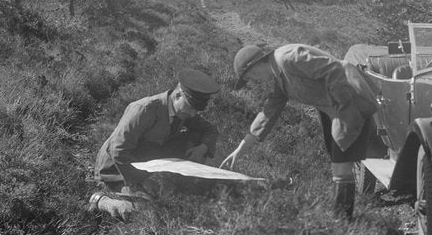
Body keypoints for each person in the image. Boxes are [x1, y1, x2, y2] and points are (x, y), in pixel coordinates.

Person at [220, 43, 378, 219]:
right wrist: (242, 147)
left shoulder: (288, 58)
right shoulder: (279, 76)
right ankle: (341, 220)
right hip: (331, 109)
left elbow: (334, 70)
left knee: (341, 168)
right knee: (338, 166)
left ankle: (342, 222)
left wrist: (342, 109)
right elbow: (269, 112)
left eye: (250, 76)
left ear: (256, 65)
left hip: (348, 101)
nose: (254, 80)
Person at [90, 68, 219, 218]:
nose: (192, 114)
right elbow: (118, 150)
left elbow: (210, 130)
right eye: (190, 108)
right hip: (116, 170)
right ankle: (102, 200)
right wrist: (138, 183)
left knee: (197, 135)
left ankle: (175, 182)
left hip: (146, 163)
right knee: (150, 212)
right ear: (177, 95)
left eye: (196, 111)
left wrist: (202, 148)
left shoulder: (183, 110)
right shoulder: (144, 109)